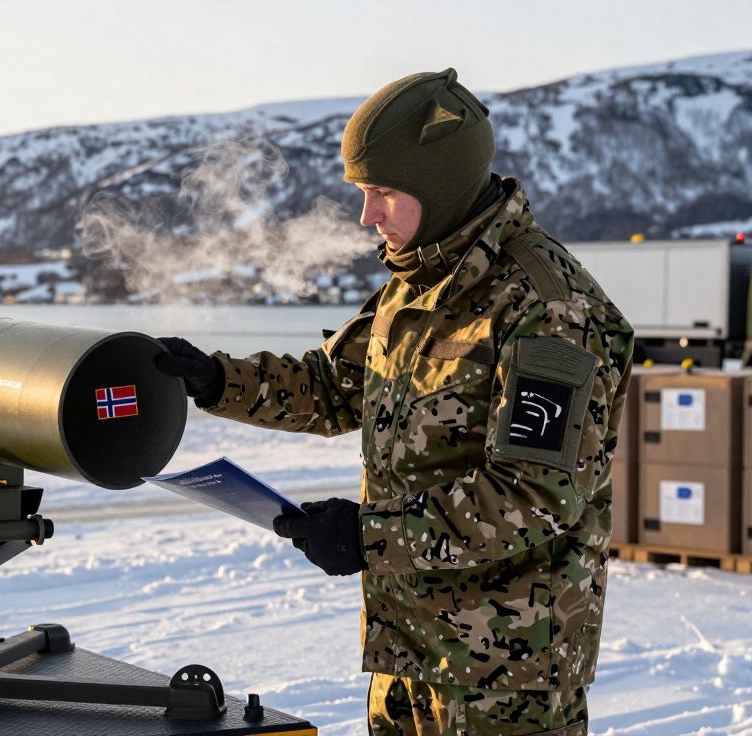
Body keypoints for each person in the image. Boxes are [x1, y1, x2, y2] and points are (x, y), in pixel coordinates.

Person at [155, 68, 633, 736]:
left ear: (440, 188)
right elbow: (333, 388)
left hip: (502, 677)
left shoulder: (549, 310)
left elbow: (531, 498)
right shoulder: (415, 287)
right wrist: (213, 378)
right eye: (362, 192)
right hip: (408, 645)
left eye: (383, 192)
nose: (366, 215)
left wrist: (368, 537)